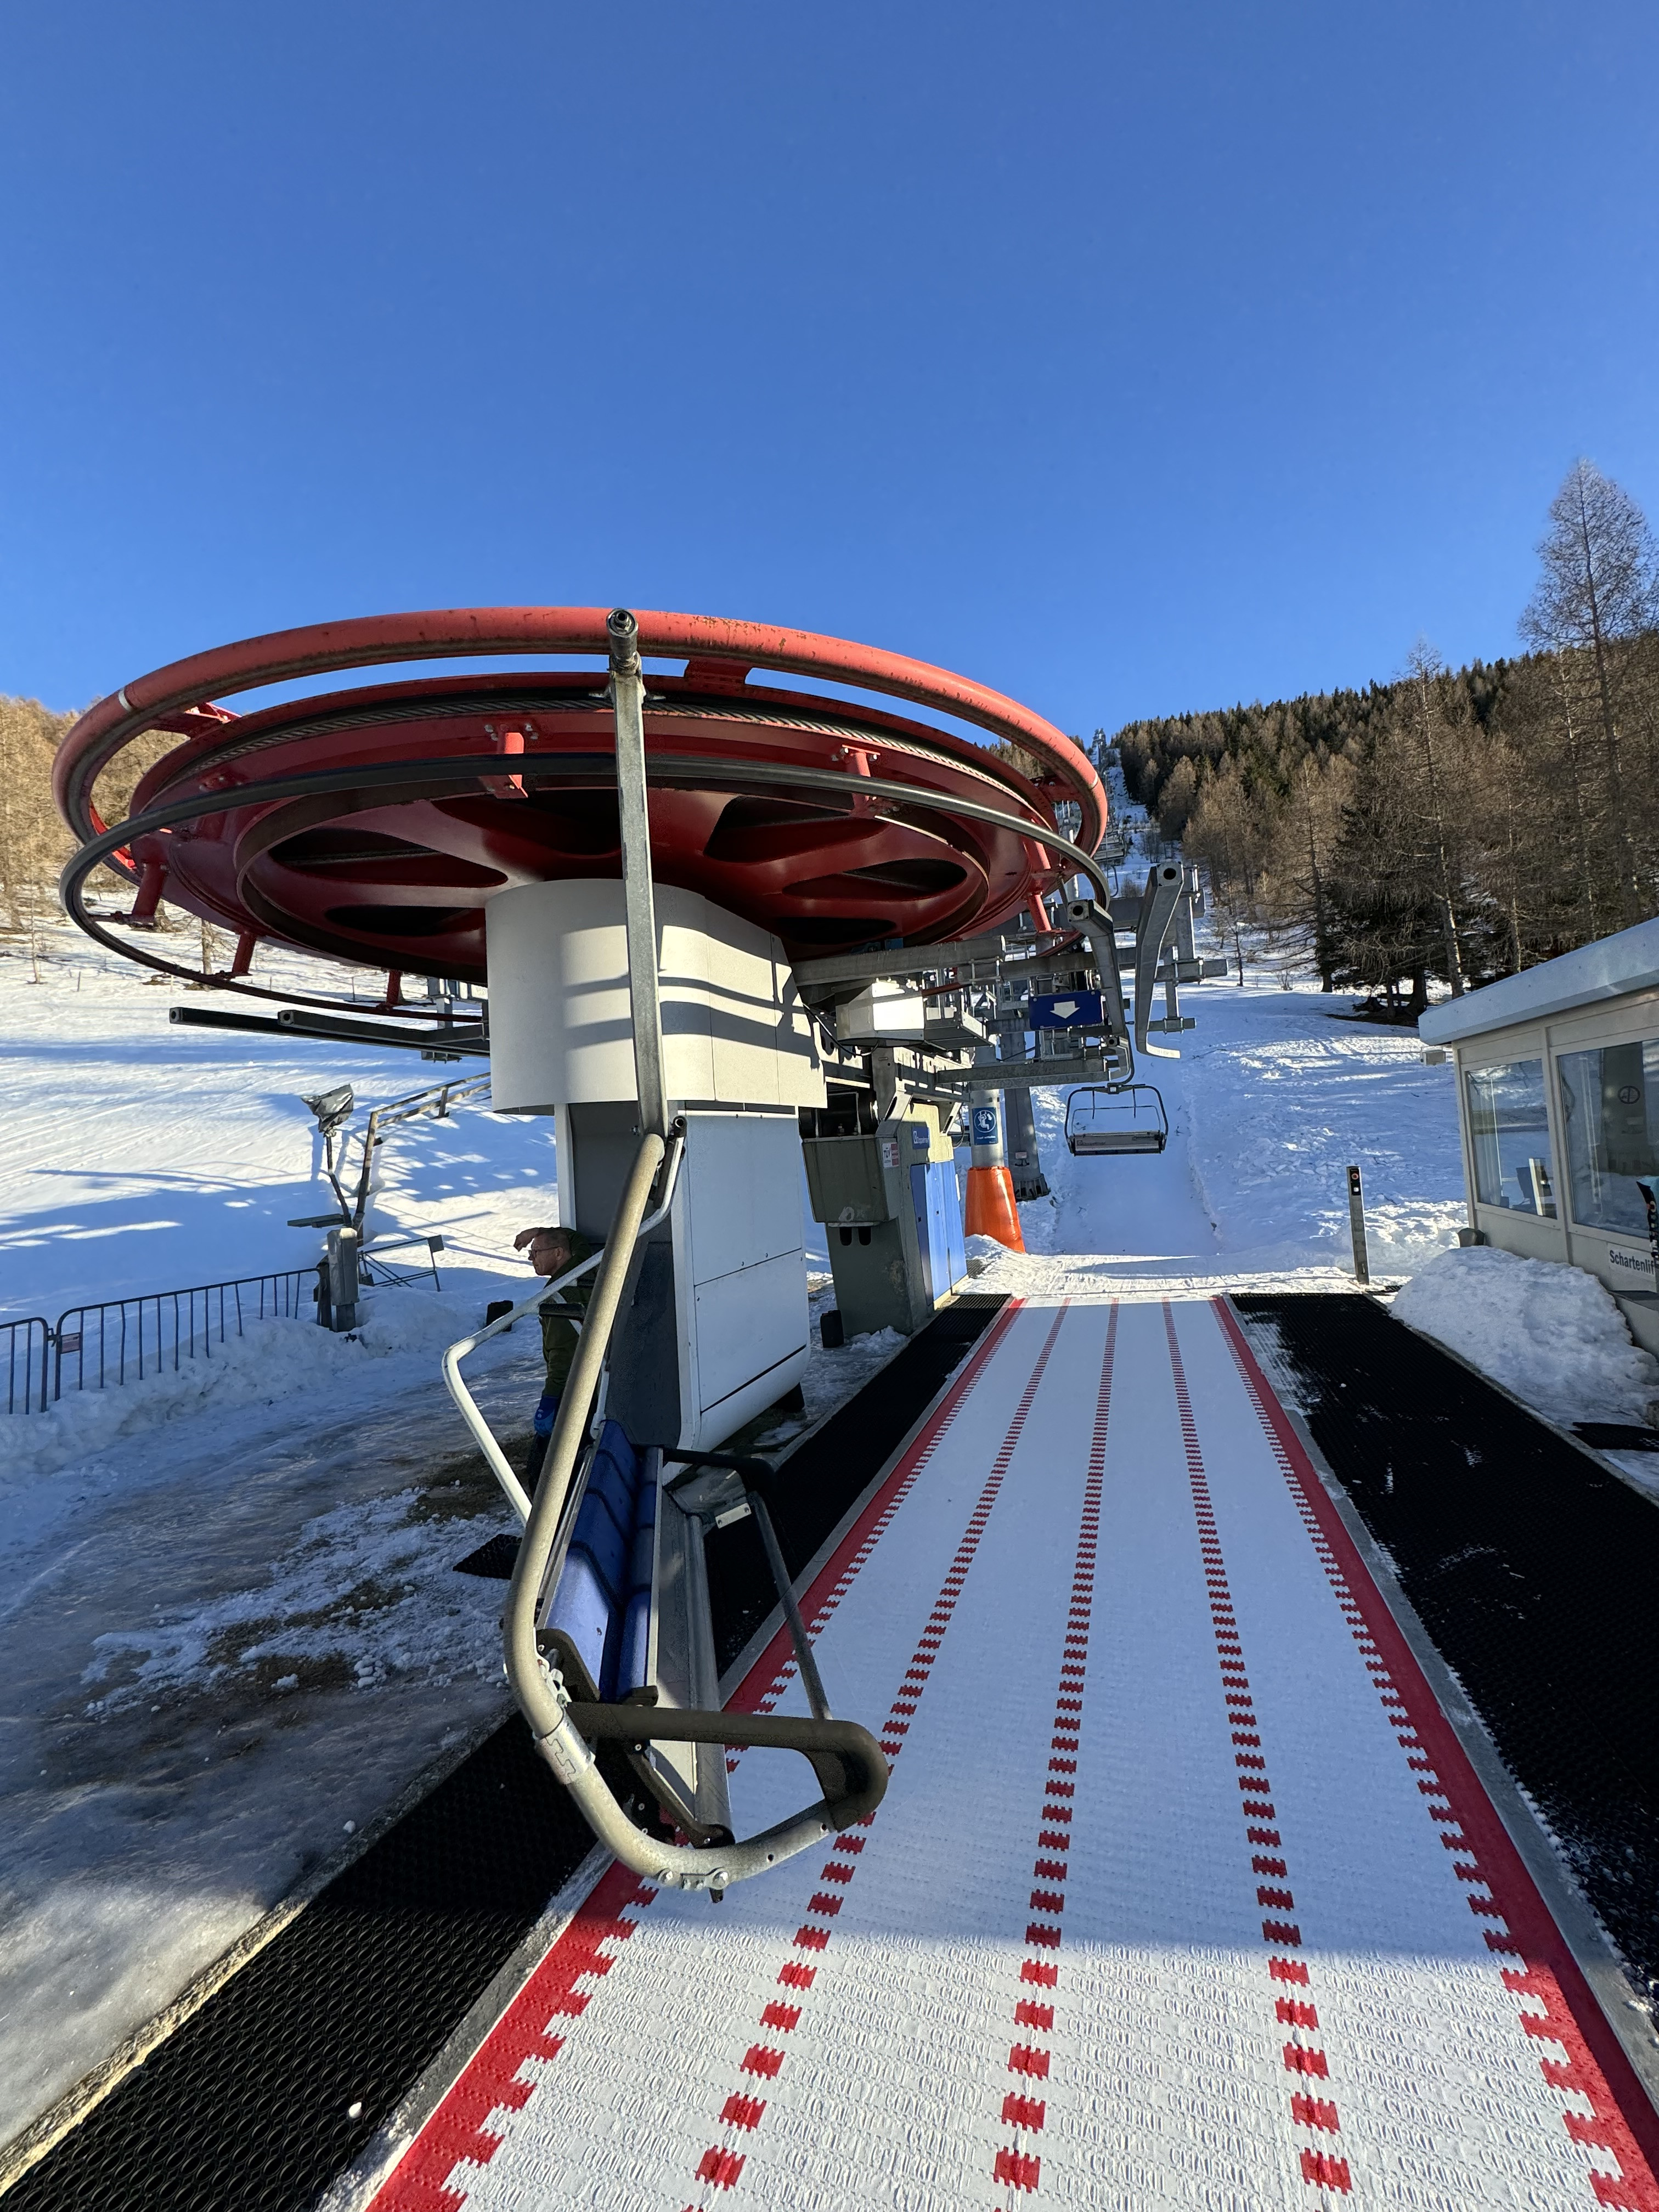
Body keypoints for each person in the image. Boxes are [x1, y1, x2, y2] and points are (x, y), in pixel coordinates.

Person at [512, 1222, 600, 1489]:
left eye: (536, 1252)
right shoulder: (584, 1264)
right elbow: (576, 1238)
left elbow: (561, 1356)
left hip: (573, 1387)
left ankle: (551, 1505)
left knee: (548, 1462)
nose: (532, 1258)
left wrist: (548, 1402)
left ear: (559, 1253)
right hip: (598, 1376)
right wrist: (537, 1233)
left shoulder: (556, 1297)